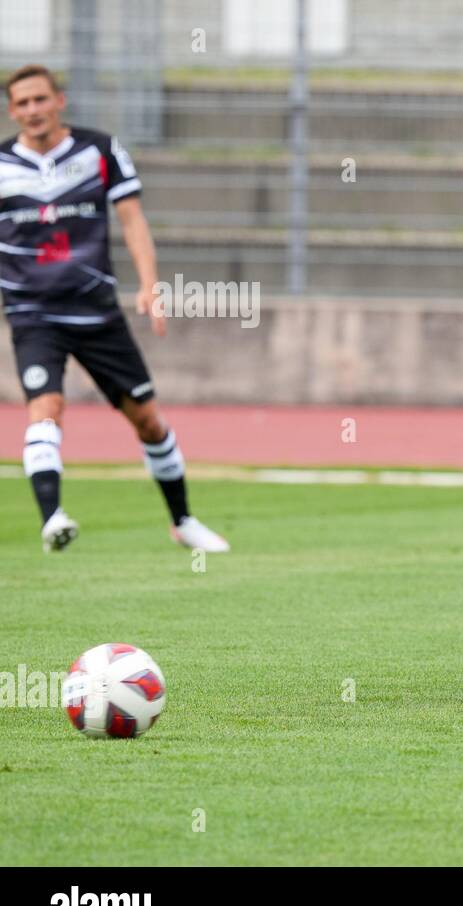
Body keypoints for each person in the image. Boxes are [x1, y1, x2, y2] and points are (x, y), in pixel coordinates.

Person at [2, 64, 228, 553]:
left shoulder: (100, 150)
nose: (33, 110)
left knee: (147, 420)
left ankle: (183, 521)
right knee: (46, 408)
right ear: (11, 110)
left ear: (60, 100)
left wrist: (150, 285)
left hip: (97, 312)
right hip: (32, 313)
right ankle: (52, 518)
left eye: (41, 99)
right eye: (22, 103)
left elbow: (132, 220)